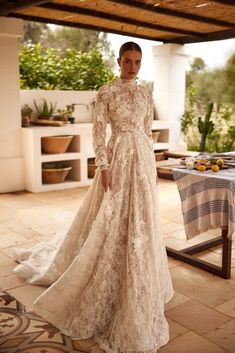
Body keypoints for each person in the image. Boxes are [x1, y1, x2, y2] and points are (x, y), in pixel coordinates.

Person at [13, 41, 174, 353]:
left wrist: (151, 164)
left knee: (142, 219)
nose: (133, 67)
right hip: (119, 157)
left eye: (138, 62)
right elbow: (98, 132)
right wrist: (103, 165)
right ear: (118, 61)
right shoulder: (106, 92)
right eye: (127, 61)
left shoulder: (145, 92)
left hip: (142, 158)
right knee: (111, 215)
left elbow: (146, 130)